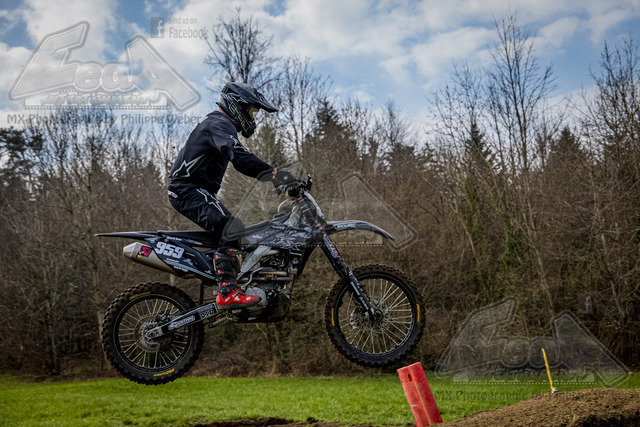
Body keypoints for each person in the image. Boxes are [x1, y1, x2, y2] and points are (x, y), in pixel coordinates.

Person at [168, 82, 291, 309]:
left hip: (196, 190)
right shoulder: (217, 123)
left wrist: (273, 177)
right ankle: (227, 292)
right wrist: (274, 174)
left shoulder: (220, 125)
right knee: (232, 228)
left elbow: (239, 160)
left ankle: (233, 280)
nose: (253, 117)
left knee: (238, 235)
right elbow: (239, 156)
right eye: (252, 111)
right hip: (187, 189)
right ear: (237, 105)